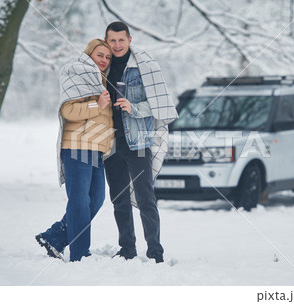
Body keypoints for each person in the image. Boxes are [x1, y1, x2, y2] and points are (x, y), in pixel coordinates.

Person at [103, 21, 178, 263]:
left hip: (137, 142)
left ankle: (155, 251)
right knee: (119, 199)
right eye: (112, 40)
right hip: (111, 144)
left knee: (146, 198)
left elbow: (158, 105)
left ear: (129, 40)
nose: (116, 45)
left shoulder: (143, 67)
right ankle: (127, 249)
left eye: (121, 40)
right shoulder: (101, 67)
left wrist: (132, 107)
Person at [35, 39, 114, 262]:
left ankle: (54, 237)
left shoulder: (103, 80)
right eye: (100, 55)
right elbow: (68, 110)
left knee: (97, 199)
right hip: (77, 145)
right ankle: (80, 254)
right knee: (79, 200)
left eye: (107, 57)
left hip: (96, 148)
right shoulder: (76, 72)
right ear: (89, 53)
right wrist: (95, 105)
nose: (104, 60)